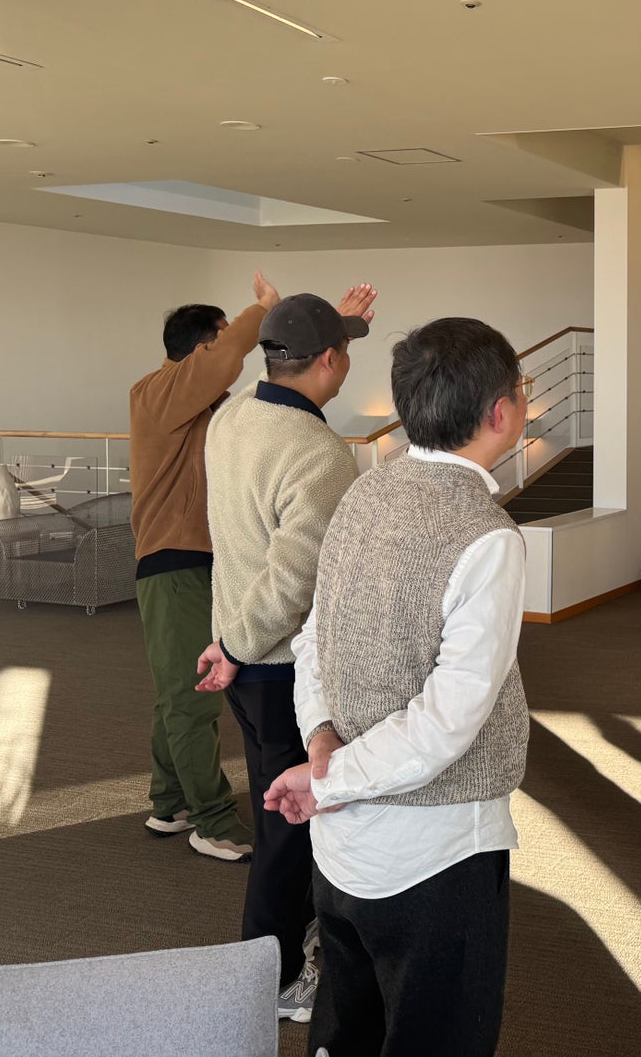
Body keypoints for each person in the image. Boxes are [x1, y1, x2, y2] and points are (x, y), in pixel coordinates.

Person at [265, 316, 532, 1057]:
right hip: (437, 852)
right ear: (501, 412)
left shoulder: (365, 494)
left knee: (347, 1033)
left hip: (341, 846)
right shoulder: (487, 536)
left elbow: (313, 640)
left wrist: (321, 744)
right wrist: (331, 776)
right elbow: (447, 723)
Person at [196, 286, 377, 1024]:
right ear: (329, 361)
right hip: (273, 666)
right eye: (344, 349)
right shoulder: (319, 455)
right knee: (289, 831)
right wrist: (238, 648)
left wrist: (227, 645)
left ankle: (285, 949)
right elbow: (293, 579)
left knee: (277, 814)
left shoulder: (234, 416)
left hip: (238, 654)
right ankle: (272, 978)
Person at [127, 273, 280, 863]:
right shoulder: (157, 391)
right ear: (201, 349)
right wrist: (262, 310)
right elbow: (221, 361)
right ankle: (212, 821)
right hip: (172, 564)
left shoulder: (204, 406)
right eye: (222, 341)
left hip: (201, 562)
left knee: (178, 691)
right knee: (194, 695)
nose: (231, 359)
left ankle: (169, 803)